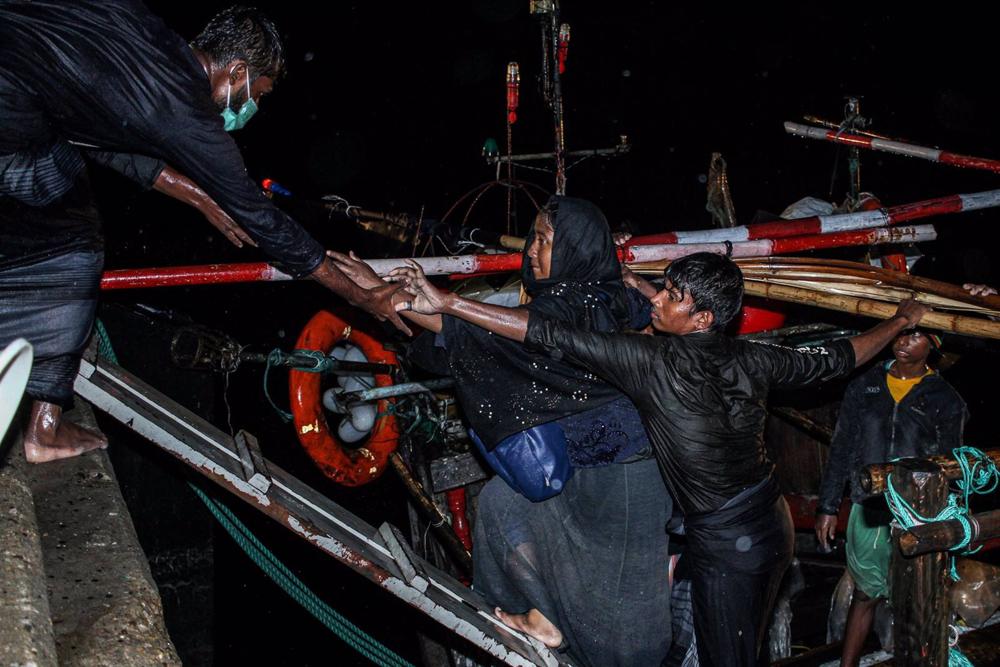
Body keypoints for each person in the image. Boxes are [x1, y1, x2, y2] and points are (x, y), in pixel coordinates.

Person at [389, 250, 930, 666]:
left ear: (702, 318)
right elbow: (836, 358)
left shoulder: (652, 362)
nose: (656, 302)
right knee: (742, 645)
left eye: (670, 296)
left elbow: (546, 333)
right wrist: (899, 322)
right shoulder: (754, 356)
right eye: (663, 289)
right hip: (773, 523)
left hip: (729, 546)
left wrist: (449, 302)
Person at [0, 2, 405, 463]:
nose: (254, 108)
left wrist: (202, 199)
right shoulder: (187, 111)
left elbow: (105, 140)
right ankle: (44, 429)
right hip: (12, 117)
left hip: (23, 101)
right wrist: (360, 296)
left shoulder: (148, 37)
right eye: (261, 94)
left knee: (54, 201)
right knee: (73, 252)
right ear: (236, 73)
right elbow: (266, 224)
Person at [332, 196, 673, 666]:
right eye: (533, 237)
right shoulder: (607, 295)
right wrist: (392, 297)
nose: (532, 249)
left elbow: (495, 337)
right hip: (583, 465)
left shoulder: (582, 304)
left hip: (625, 469)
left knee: (623, 619)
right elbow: (479, 335)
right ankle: (547, 619)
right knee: (501, 506)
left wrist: (394, 297)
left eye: (546, 240)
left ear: (575, 247)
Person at [816, 328, 967, 667]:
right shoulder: (865, 386)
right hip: (870, 508)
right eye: (902, 335)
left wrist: (946, 518)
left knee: (917, 597)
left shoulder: (945, 399)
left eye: (916, 337)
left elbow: (952, 463)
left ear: (933, 346)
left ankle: (917, 659)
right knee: (866, 592)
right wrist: (827, 506)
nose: (903, 342)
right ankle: (847, 665)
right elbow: (841, 447)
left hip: (919, 512)